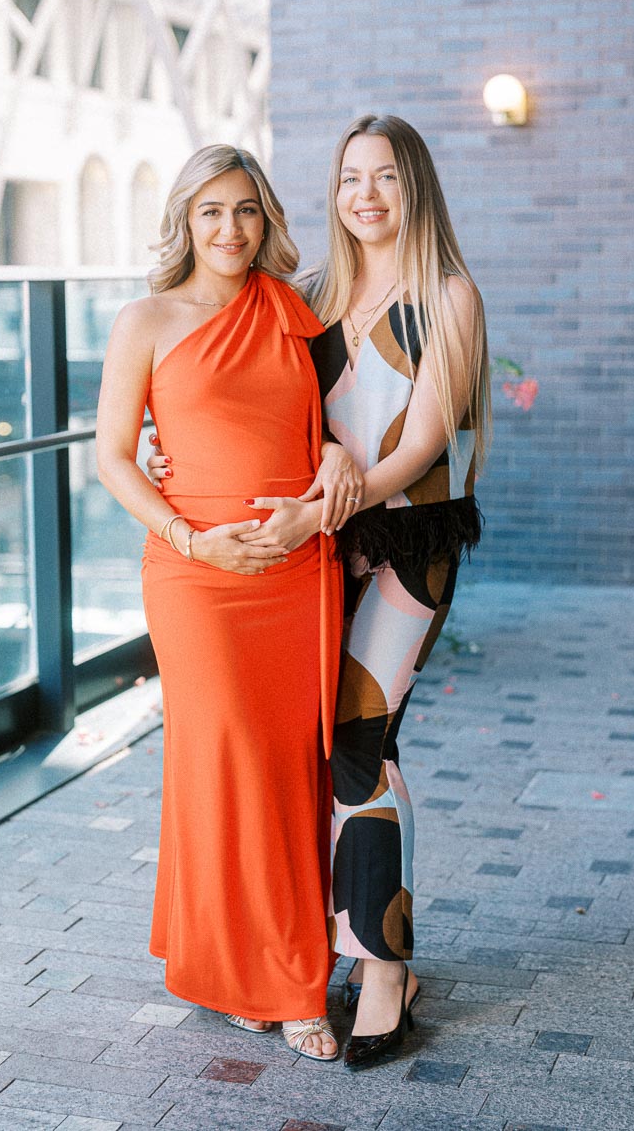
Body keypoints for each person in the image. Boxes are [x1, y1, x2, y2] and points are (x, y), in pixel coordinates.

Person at [150, 115, 490, 1071]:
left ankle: (386, 968)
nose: (366, 195)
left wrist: (333, 496)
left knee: (357, 747)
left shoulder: (449, 298)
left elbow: (421, 441)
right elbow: (268, 404)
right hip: (320, 554)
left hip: (407, 543)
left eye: (385, 177)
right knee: (312, 750)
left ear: (414, 188)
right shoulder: (310, 295)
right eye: (350, 178)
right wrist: (161, 452)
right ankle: (331, 944)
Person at [96, 145, 363, 1061]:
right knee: (228, 762)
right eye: (210, 211)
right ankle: (262, 974)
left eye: (246, 210)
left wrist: (334, 462)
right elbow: (116, 459)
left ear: (267, 219)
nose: (230, 228)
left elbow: (337, 426)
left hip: (299, 566)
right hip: (196, 573)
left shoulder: (297, 309)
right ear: (185, 221)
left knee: (291, 770)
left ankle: (280, 971)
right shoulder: (147, 319)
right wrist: (186, 536)